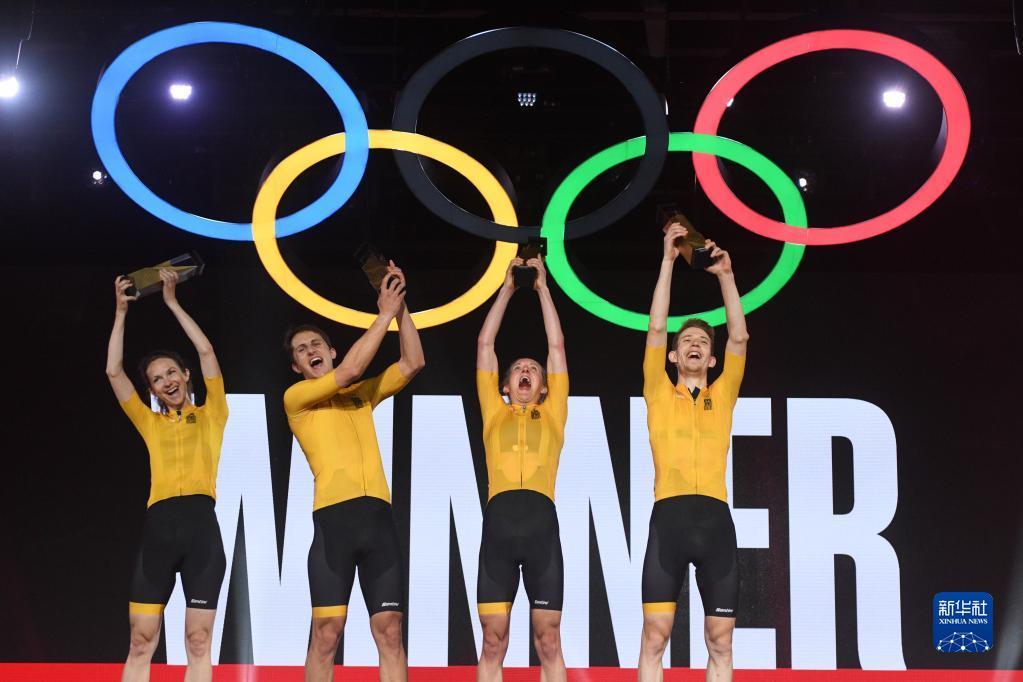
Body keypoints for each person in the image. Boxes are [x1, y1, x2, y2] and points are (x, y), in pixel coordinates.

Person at [283, 262, 424, 682]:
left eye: (316, 343)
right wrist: (384, 314)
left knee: (391, 631)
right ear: (298, 367)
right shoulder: (297, 399)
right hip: (335, 524)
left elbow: (413, 362)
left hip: (379, 522)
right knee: (327, 633)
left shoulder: (360, 395)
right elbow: (351, 370)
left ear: (331, 351)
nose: (310, 349)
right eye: (301, 349)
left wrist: (400, 308)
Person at [637, 223, 749, 682]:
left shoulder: (723, 394)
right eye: (687, 341)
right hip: (669, 520)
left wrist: (727, 277)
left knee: (720, 640)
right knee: (655, 636)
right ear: (672, 357)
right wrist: (668, 260)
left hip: (716, 522)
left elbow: (739, 338)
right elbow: (656, 326)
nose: (696, 345)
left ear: (713, 359)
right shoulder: (658, 391)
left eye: (703, 342)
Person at [106, 269, 228, 682]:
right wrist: (121, 312)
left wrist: (172, 302)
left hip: (201, 534)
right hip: (158, 532)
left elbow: (206, 350)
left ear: (186, 375)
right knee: (141, 641)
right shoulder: (149, 423)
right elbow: (114, 372)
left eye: (171, 373)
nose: (166, 382)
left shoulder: (212, 414)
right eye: (157, 380)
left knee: (198, 641)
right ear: (153, 392)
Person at [475, 256, 569, 682]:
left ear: (545, 386)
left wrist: (543, 288)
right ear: (505, 385)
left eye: (533, 369)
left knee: (548, 640)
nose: (526, 371)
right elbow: (485, 344)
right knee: (493, 641)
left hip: (541, 529)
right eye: (517, 369)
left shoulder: (553, 413)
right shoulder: (494, 412)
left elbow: (556, 347)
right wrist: (508, 289)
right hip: (498, 528)